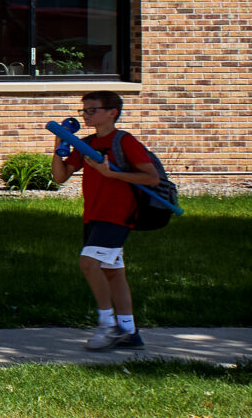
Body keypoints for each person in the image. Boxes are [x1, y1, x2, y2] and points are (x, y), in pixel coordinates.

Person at [58, 89, 162, 354]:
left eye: (92, 110)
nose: (86, 115)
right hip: (93, 215)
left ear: (112, 113)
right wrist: (59, 146)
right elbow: (61, 177)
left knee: (88, 262)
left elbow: (152, 178)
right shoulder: (87, 143)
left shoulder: (125, 142)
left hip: (118, 215)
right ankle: (129, 331)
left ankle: (108, 324)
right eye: (84, 111)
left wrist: (112, 174)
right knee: (113, 273)